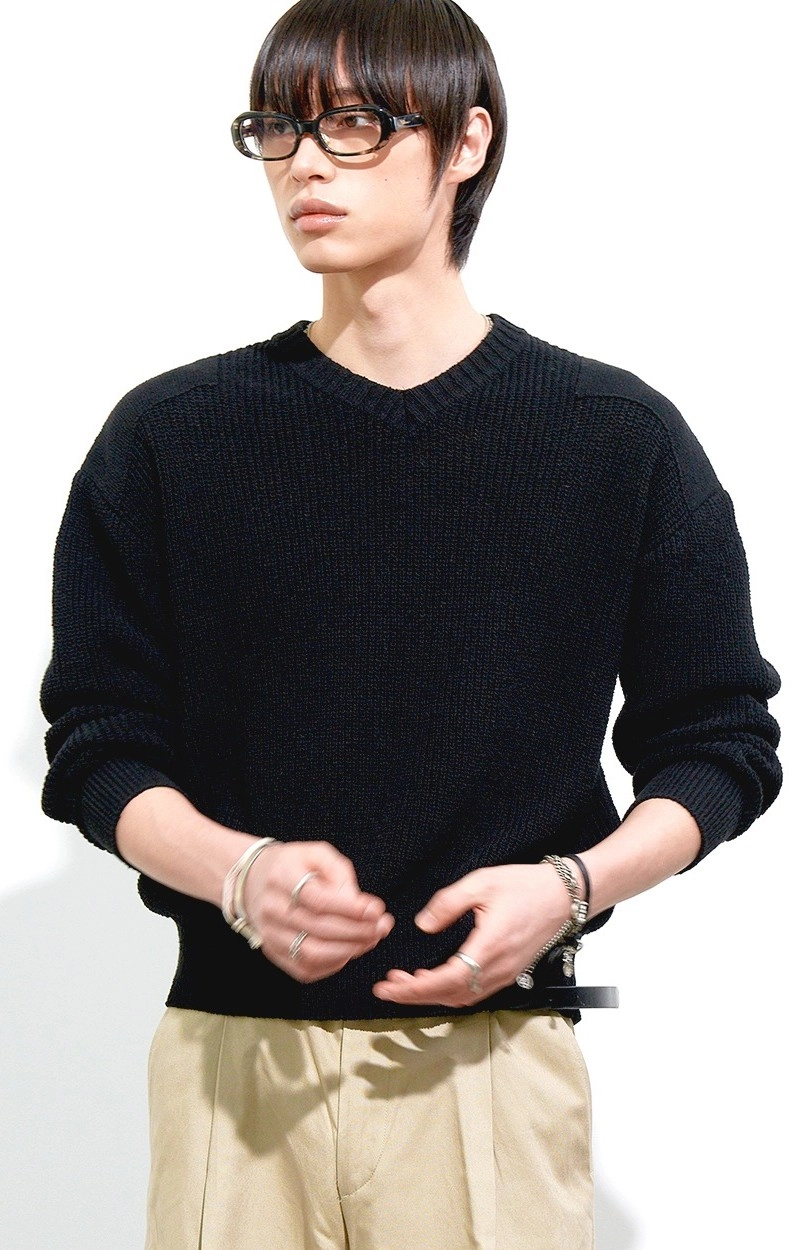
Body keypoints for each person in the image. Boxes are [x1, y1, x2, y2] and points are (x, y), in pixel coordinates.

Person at [40, 1, 781, 1246]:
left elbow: (719, 742)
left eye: (353, 122)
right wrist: (237, 873)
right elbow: (99, 745)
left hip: (490, 1067)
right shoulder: (169, 438)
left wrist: (569, 886)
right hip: (233, 1070)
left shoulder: (614, 439)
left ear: (466, 141)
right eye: (277, 127)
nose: (304, 164)